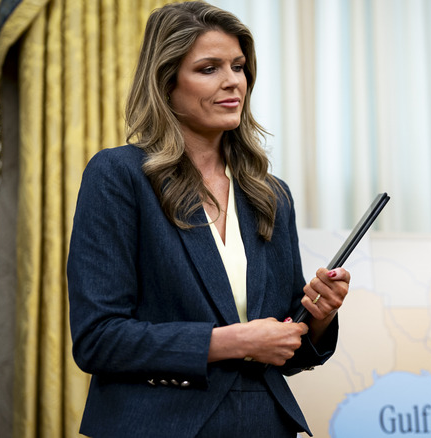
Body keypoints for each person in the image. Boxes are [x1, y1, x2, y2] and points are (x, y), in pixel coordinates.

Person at [66, 2, 350, 437]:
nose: (232, 81)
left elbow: (287, 350)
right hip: (156, 425)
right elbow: (98, 339)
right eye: (208, 68)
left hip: (263, 425)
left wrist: (318, 316)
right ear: (166, 83)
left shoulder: (271, 194)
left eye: (238, 66)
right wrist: (234, 342)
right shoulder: (118, 176)